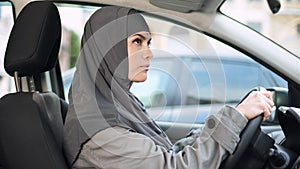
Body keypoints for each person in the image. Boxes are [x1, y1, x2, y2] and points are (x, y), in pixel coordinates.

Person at [63, 6, 274, 169]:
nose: (149, 53)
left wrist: (233, 120)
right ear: (107, 49)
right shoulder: (101, 130)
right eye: (137, 42)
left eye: (148, 43)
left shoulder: (119, 105)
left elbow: (167, 154)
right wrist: (235, 118)